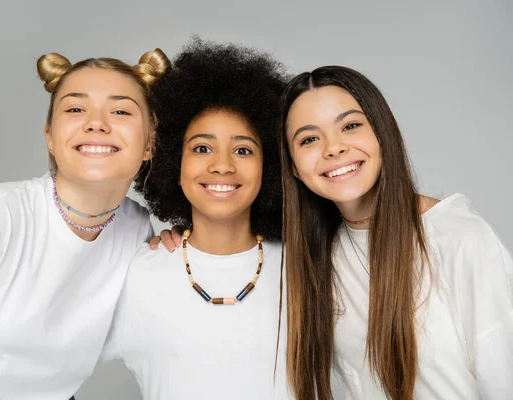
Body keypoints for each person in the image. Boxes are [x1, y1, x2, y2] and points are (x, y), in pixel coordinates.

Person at [0, 49, 170, 399]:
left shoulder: (137, 229)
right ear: (49, 136)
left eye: (121, 110)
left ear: (149, 144)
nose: (96, 123)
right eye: (76, 109)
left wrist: (179, 257)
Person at [279, 65, 513, 399]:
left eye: (351, 125)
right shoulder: (315, 258)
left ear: (382, 133)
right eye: (309, 139)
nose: (333, 148)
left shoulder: (458, 236)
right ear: (293, 167)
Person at [104, 38, 291, 399]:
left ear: (270, 165)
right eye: (202, 148)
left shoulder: (312, 267)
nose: (222, 165)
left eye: (243, 149)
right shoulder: (135, 274)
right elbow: (40, 360)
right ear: (173, 162)